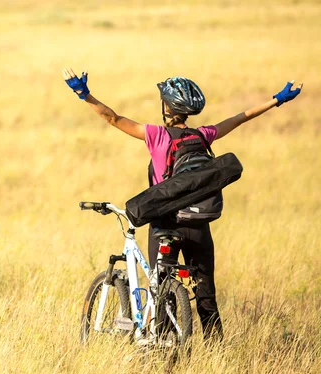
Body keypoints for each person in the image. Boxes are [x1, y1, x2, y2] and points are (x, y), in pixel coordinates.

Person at [62, 68, 303, 340]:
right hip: (198, 223)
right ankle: (216, 353)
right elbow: (239, 118)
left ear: (166, 107)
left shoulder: (156, 135)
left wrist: (85, 95)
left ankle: (160, 352)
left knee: (160, 289)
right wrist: (277, 99)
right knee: (205, 292)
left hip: (164, 222)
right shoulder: (203, 135)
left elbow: (112, 118)